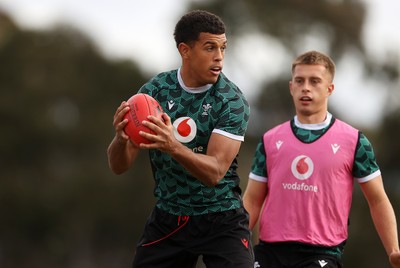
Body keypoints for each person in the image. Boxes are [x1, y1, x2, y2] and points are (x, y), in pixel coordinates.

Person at [107, 10, 253, 268]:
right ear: (185, 50)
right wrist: (120, 139)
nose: (219, 57)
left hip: (221, 219)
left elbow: (215, 172)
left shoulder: (231, 101)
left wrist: (172, 146)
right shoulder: (154, 93)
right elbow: (119, 166)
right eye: (210, 48)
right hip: (169, 218)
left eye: (223, 48)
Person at [243, 50, 400, 268]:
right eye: (300, 81)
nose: (305, 87)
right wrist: (235, 245)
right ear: (291, 87)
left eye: (314, 81)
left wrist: (393, 250)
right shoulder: (270, 140)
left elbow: (378, 199)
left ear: (329, 89)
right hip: (269, 252)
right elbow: (252, 200)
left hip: (321, 254)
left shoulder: (354, 141)